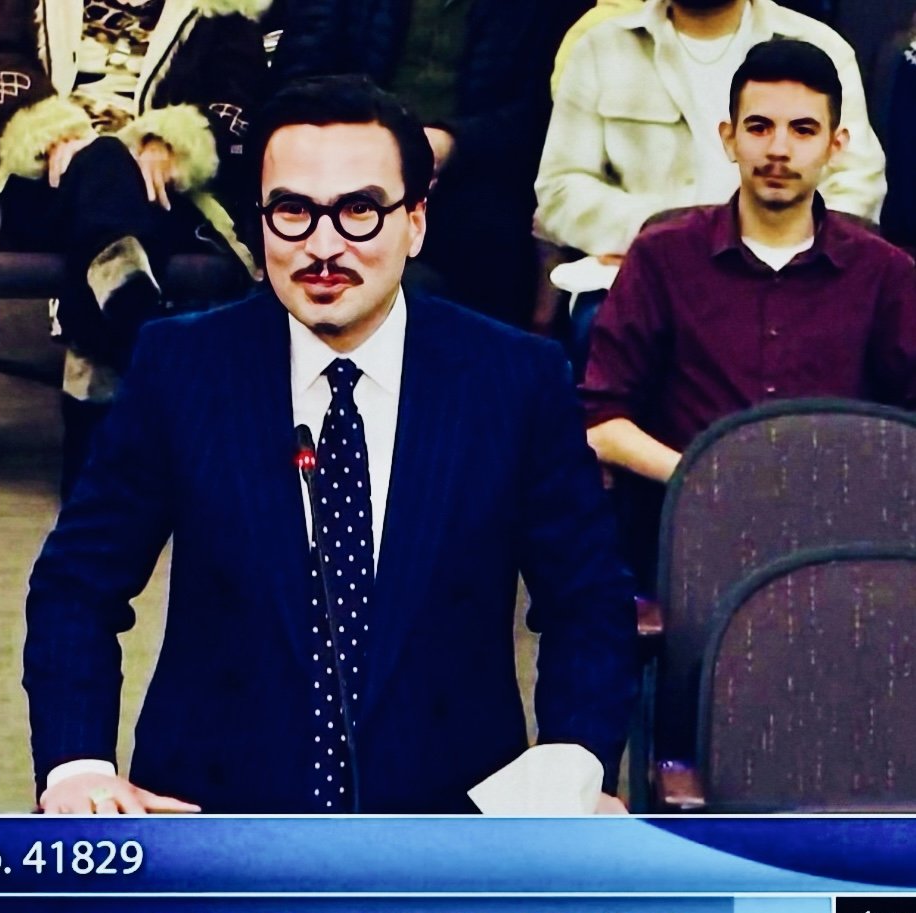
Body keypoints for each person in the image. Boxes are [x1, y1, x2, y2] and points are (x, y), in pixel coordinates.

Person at [24, 76, 637, 819]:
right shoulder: (181, 366)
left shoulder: (515, 379)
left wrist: (572, 757)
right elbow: (76, 586)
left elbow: (588, 601)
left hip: (450, 837)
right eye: (292, 212)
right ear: (259, 223)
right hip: (213, 829)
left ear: (415, 221)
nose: (323, 246)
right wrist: (78, 767)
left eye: (358, 211)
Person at [582, 39, 916, 586]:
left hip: (834, 542)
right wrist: (705, 477)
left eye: (803, 131)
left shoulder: (885, 275)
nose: (778, 149)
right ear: (728, 137)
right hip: (688, 528)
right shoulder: (662, 257)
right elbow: (601, 422)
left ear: (837, 144)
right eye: (759, 127)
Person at [0, 0, 270, 497]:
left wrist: (174, 141)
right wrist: (48, 130)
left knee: (112, 174)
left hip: (163, 188)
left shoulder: (219, 7)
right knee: (101, 160)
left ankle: (116, 304)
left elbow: (240, 92)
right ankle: (132, 304)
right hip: (48, 178)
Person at [270, 0, 588, 328]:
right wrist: (370, 143)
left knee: (487, 248)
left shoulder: (538, 10)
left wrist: (451, 143)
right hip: (345, 163)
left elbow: (539, 116)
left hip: (478, 178)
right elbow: (300, 83)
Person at [536, 0, 886, 261]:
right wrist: (657, 233)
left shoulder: (820, 45)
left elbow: (857, 183)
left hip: (794, 284)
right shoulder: (602, 48)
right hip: (646, 278)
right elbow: (560, 189)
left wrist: (787, 253)